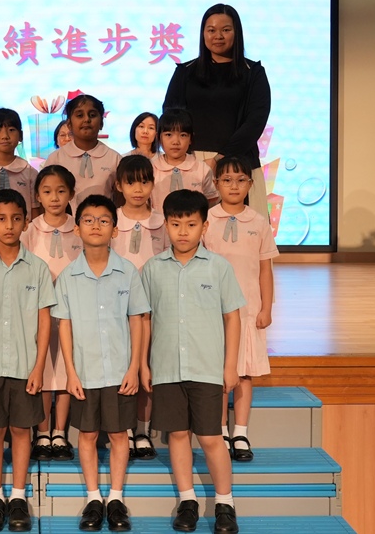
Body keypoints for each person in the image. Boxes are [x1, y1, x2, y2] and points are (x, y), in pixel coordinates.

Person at [140, 189, 244, 534]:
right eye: (175, 224)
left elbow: (232, 317)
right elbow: (145, 319)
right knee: (178, 434)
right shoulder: (152, 269)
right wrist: (144, 364)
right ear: (166, 226)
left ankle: (225, 503)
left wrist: (230, 366)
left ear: (204, 226)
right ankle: (188, 501)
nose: (182, 231)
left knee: (211, 437)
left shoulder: (218, 267)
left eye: (191, 224)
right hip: (167, 367)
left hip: (206, 367)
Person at [53, 194, 149, 533]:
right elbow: (64, 326)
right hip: (85, 371)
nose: (96, 226)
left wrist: (134, 367)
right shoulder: (68, 276)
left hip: (120, 371)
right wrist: (70, 373)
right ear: (77, 229)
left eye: (104, 220)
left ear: (115, 229)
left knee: (120, 434)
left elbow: (137, 320)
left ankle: (116, 497)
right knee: (88, 434)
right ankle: (94, 498)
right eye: (89, 220)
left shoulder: (128, 272)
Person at [0, 189, 54, 533]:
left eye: (16, 218)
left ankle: (17, 496)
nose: (9, 225)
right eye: (1, 219)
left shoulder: (38, 269)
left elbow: (45, 321)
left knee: (21, 430)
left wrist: (39, 367)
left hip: (24, 365)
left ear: (26, 222)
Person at [202, 156, 278, 464]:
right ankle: (220, 429)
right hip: (214, 312)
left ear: (250, 184)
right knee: (221, 371)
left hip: (248, 310)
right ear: (216, 184)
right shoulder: (207, 220)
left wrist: (266, 308)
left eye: (240, 180)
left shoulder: (259, 222)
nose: (234, 186)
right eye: (227, 180)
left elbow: (265, 270)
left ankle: (241, 432)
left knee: (245, 372)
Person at [162, 3, 271, 218]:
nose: (218, 36)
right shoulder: (185, 72)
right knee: (189, 230)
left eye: (225, 30)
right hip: (193, 164)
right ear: (203, 33)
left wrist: (220, 158)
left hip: (238, 163)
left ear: (237, 33)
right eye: (211, 30)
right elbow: (171, 119)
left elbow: (255, 121)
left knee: (246, 233)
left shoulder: (253, 73)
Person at [21, 165, 82, 462]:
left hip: (72, 312)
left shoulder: (79, 227)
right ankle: (42, 432)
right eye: (47, 192)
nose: (54, 198)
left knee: (66, 368)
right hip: (38, 311)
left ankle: (60, 432)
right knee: (43, 368)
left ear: (71, 194)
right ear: (37, 196)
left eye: (60, 191)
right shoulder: (30, 230)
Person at [111, 155, 167, 461]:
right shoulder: (112, 220)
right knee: (123, 365)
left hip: (152, 307)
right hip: (117, 307)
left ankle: (142, 429)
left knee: (147, 365)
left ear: (152, 185)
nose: (138, 189)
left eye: (144, 182)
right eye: (131, 182)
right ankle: (125, 428)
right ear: (119, 185)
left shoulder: (162, 222)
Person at [43, 94, 121, 207]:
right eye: (80, 115)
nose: (86, 119)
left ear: (101, 123)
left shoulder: (115, 159)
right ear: (69, 124)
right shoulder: (56, 159)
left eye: (92, 115)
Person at [151, 110, 218, 213]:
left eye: (183, 135)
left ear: (191, 138)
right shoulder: (151, 169)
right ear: (158, 137)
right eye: (168, 135)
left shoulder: (202, 169)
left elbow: (211, 200)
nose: (175, 142)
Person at [0, 108, 40, 218]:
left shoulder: (29, 172)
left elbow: (35, 210)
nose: (5, 136)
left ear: (21, 136)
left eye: (11, 130)